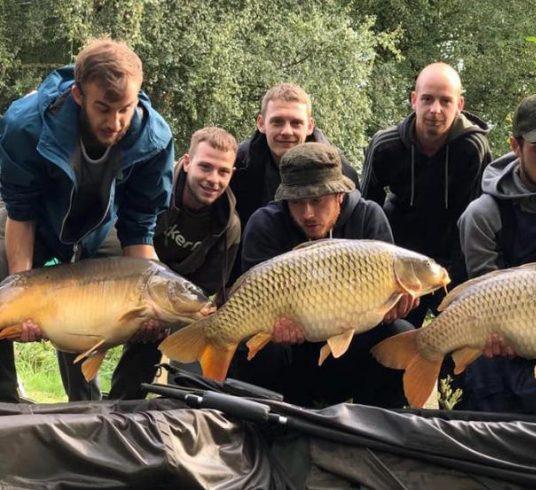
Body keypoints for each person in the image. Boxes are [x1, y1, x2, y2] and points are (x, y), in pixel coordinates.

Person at [0, 38, 174, 402]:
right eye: (103, 108)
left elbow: (139, 228)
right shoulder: (26, 124)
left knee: (162, 303)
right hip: (38, 226)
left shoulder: (154, 139)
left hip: (100, 232)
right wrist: (25, 294)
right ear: (78, 94)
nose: (115, 122)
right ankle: (5, 401)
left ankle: (109, 407)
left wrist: (150, 302)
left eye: (125, 108)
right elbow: (21, 212)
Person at [233, 142, 417, 408]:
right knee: (256, 348)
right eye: (297, 202)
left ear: (339, 194)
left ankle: (373, 431)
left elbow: (389, 307)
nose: (308, 214)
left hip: (349, 356)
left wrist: (392, 308)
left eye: (318, 201)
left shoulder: (368, 218)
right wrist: (272, 330)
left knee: (401, 333)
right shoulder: (265, 224)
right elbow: (252, 301)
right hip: (290, 359)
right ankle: (266, 432)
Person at [457, 93, 536, 415]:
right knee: (489, 379)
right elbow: (482, 298)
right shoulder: (482, 214)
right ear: (515, 146)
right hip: (503, 345)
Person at [361, 62, 492, 328]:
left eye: (445, 101)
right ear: (413, 100)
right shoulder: (385, 146)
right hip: (398, 256)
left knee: (463, 336)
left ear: (460, 105)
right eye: (427, 99)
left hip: (454, 250)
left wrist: (456, 273)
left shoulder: (473, 147)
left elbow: (477, 218)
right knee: (394, 333)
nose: (435, 110)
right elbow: (366, 213)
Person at [230, 83, 360, 231]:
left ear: (310, 126)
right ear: (261, 123)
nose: (286, 131)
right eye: (277, 122)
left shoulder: (341, 173)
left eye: (296, 123)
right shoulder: (236, 166)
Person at [154, 126, 240, 301]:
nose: (213, 180)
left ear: (232, 174)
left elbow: (204, 290)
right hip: (130, 283)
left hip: (176, 300)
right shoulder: (154, 187)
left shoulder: (229, 226)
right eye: (205, 167)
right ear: (187, 163)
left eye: (223, 171)